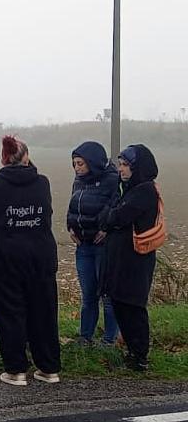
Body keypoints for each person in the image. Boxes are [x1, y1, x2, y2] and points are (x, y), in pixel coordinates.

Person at [0, 136, 61, 386]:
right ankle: (49, 369)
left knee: (10, 314)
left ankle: (16, 371)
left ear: (3, 158)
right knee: (44, 313)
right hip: (41, 257)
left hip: (4, 258)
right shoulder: (42, 183)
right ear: (27, 157)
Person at [100, 144, 160, 372]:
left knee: (133, 306)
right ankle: (132, 352)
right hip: (121, 259)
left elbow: (116, 217)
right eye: (121, 165)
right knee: (120, 303)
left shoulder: (144, 191)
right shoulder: (129, 190)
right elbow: (109, 217)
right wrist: (110, 215)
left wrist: (110, 216)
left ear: (138, 168)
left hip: (136, 261)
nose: (121, 170)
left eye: (126, 166)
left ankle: (140, 356)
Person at [66, 141, 120, 346]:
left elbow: (114, 208)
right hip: (83, 245)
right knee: (88, 294)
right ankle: (85, 336)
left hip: (103, 246)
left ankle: (109, 340)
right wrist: (70, 226)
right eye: (74, 164)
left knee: (106, 295)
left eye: (80, 163)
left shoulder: (112, 180)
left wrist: (105, 229)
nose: (77, 168)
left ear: (93, 162)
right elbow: (73, 206)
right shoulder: (78, 181)